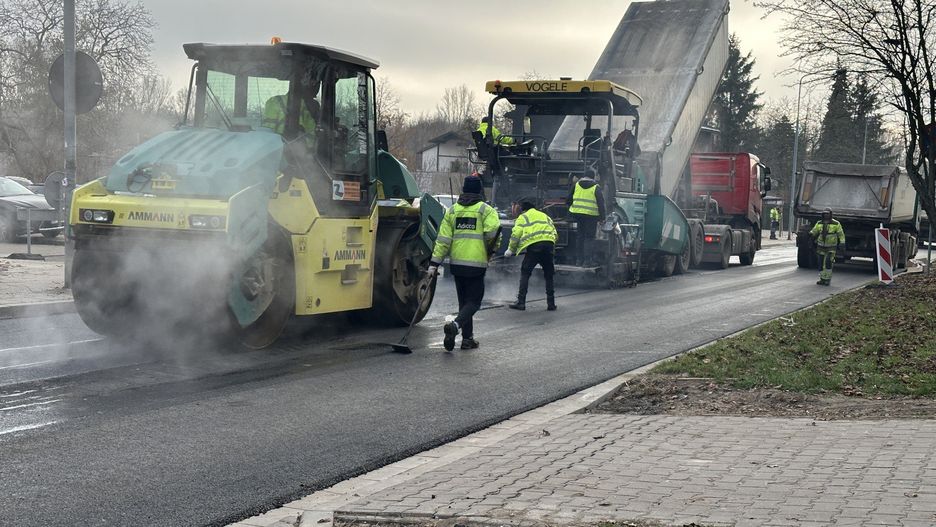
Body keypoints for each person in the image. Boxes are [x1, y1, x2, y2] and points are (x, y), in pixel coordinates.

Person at [428, 175, 501, 351]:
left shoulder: (452, 211)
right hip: (476, 264)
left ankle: (467, 339)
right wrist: (491, 249)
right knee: (474, 302)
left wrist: (434, 264)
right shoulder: (485, 210)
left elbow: (443, 240)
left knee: (464, 303)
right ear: (479, 191)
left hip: (456, 265)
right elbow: (494, 232)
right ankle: (455, 326)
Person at [505, 198, 558, 311]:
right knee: (549, 275)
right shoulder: (545, 216)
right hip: (548, 245)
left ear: (523, 209)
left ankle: (521, 302)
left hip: (534, 248)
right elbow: (554, 232)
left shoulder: (523, 217)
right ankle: (551, 304)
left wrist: (510, 250)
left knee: (525, 272)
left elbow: (516, 235)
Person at [262, 78, 320, 142]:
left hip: (283, 148)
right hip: (281, 148)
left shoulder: (275, 101)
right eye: (313, 83)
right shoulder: (275, 102)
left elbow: (266, 132)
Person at [566, 170, 605, 266]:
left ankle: (578, 260)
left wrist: (573, 207)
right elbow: (601, 204)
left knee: (580, 236)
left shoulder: (576, 185)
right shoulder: (596, 187)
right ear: (593, 177)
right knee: (589, 238)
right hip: (591, 216)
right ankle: (587, 261)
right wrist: (602, 217)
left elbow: (568, 200)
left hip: (578, 214)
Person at [809, 207, 845, 286]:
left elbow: (841, 234)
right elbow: (815, 231)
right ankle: (822, 279)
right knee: (820, 262)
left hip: (831, 247)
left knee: (828, 262)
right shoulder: (819, 223)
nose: (826, 215)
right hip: (821, 246)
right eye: (824, 214)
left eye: (827, 214)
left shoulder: (836, 224)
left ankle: (827, 279)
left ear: (830, 214)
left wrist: (842, 243)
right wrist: (811, 235)